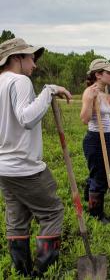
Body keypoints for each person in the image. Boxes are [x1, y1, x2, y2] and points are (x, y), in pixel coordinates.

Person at [0, 38, 71, 277]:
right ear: (16, 58)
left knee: (17, 217)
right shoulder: (20, 81)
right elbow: (27, 119)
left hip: (4, 167)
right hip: (24, 166)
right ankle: (44, 271)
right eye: (32, 58)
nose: (35, 64)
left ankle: (21, 271)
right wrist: (49, 90)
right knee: (52, 212)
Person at [80, 59, 110, 224]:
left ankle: (89, 195)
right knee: (100, 176)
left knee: (98, 173)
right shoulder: (90, 92)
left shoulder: (104, 92)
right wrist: (89, 99)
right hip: (95, 139)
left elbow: (109, 118)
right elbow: (84, 119)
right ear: (98, 75)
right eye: (108, 72)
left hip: (105, 137)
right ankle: (96, 214)